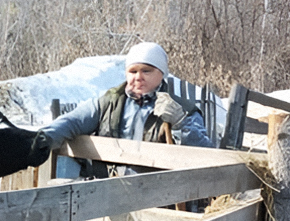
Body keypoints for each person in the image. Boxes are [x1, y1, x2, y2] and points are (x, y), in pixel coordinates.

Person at [42, 42, 213, 178]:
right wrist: (40, 140)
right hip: (107, 190)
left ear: (161, 73)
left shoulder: (183, 109)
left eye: (147, 70)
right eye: (133, 71)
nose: (138, 77)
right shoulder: (109, 103)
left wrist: (181, 124)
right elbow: (72, 122)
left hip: (158, 196)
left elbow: (205, 156)